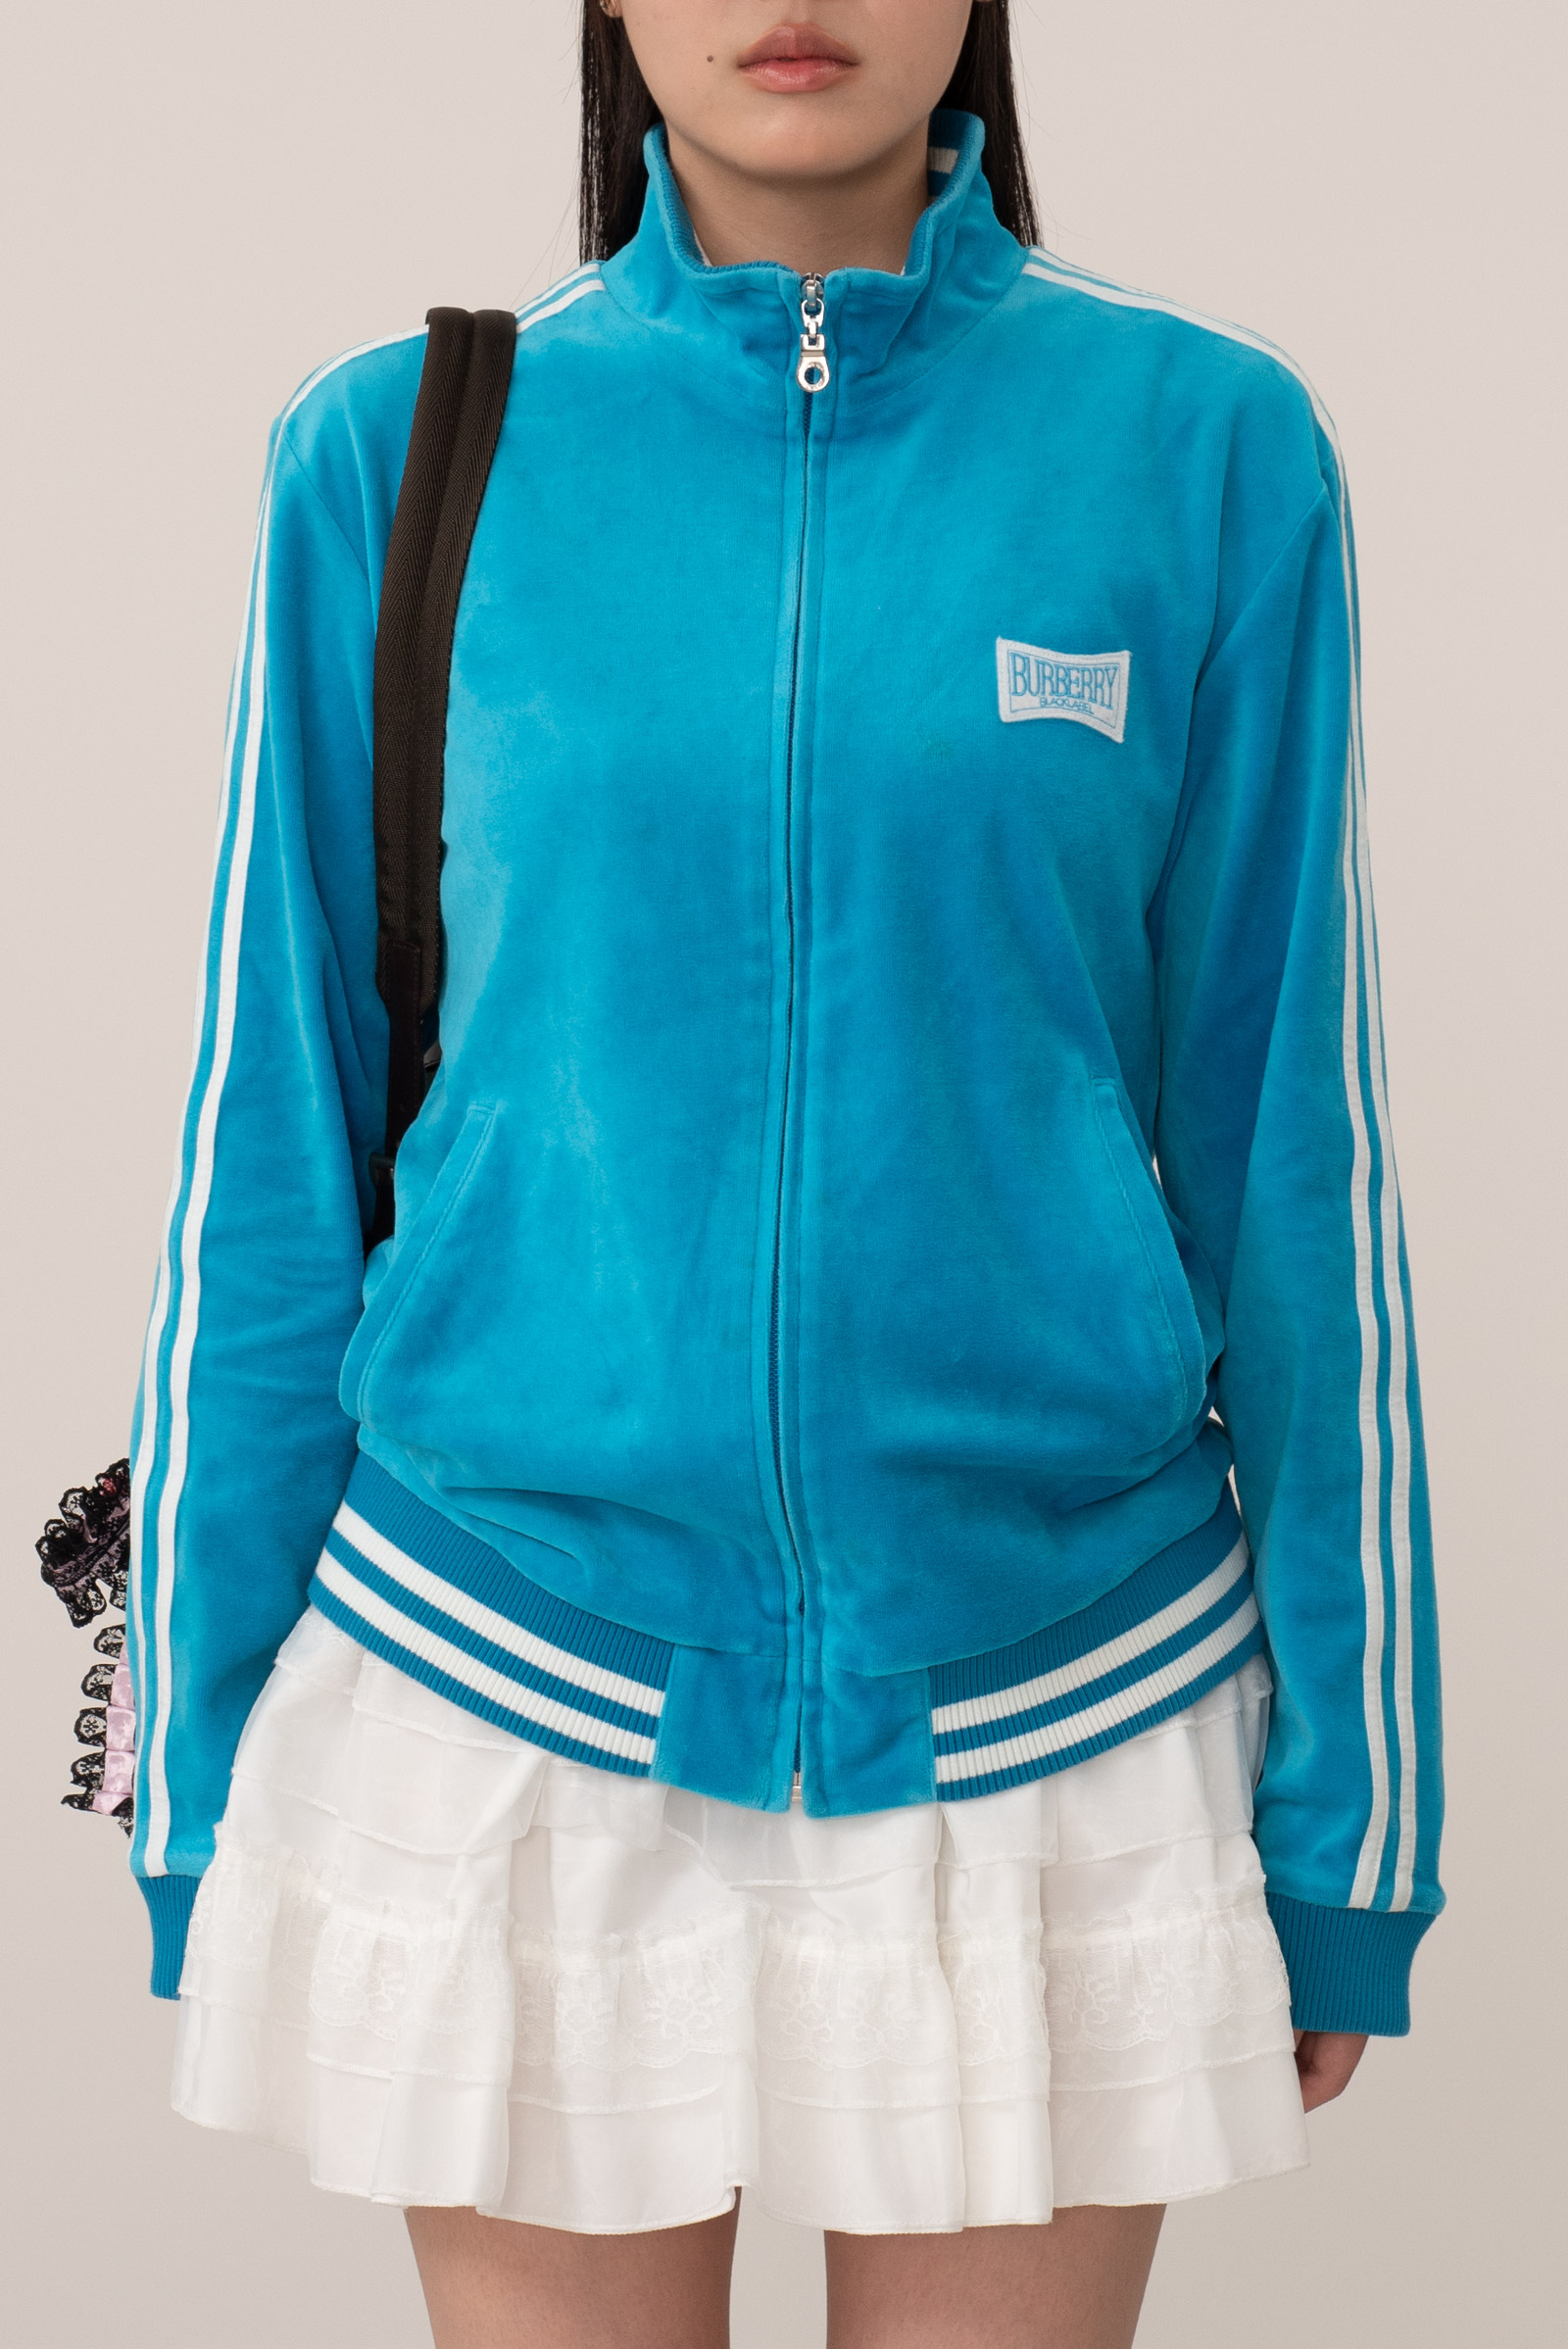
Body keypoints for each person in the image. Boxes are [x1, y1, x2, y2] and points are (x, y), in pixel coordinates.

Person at [123, 4, 1445, 2343]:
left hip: (1050, 1712)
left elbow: (1291, 1162)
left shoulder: (1202, 446)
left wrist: (1353, 1822)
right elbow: (273, 1156)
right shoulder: (397, 451)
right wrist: (195, 1780)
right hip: (499, 1694)